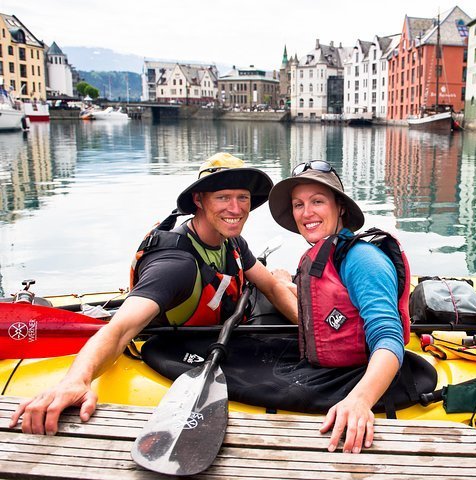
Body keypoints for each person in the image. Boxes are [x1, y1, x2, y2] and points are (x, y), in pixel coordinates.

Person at [10, 153, 298, 435]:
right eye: (223, 197)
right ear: (199, 200)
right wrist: (75, 380)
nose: (235, 209)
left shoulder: (231, 240)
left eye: (242, 198)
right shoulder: (175, 265)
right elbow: (121, 329)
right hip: (180, 343)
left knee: (279, 280)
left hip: (225, 321)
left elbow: (270, 287)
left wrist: (310, 330)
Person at [268, 160, 411, 454]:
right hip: (325, 368)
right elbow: (325, 311)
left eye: (317, 201)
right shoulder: (325, 253)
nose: (306, 213)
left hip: (356, 376)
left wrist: (360, 399)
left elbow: (388, 337)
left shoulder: (362, 259)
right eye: (298, 204)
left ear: (340, 207)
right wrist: (280, 282)